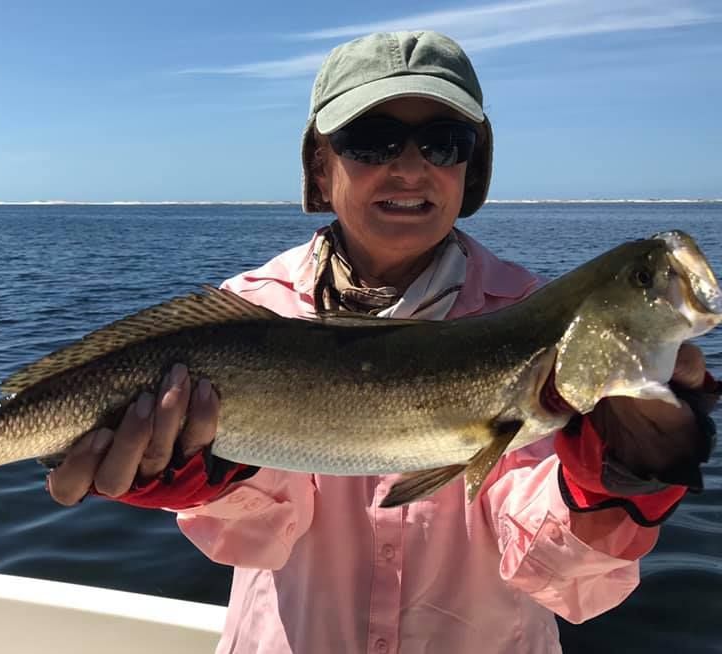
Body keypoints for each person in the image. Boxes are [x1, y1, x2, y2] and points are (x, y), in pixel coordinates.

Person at [46, 31, 718, 653]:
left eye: (444, 142)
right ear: (320, 165)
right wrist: (201, 480)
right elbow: (253, 541)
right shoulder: (249, 313)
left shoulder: (530, 322)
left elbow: (569, 584)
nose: (410, 168)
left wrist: (622, 483)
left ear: (471, 167)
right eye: (372, 141)